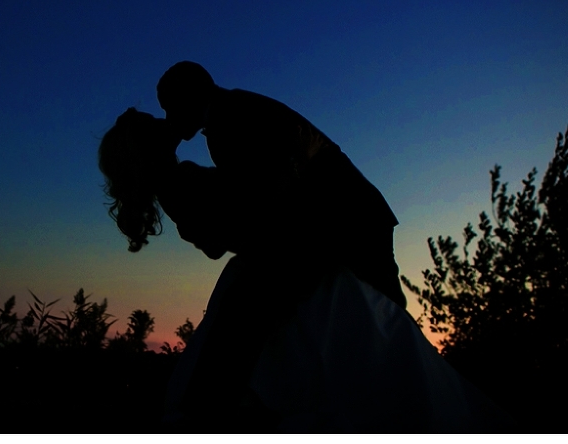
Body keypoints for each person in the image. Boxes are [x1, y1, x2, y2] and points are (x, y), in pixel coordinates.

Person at [98, 108, 513, 433]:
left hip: (281, 263)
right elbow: (238, 223)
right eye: (154, 125)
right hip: (280, 266)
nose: (166, 123)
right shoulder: (180, 185)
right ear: (145, 150)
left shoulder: (180, 181)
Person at [157, 61, 406, 309]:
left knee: (386, 315)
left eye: (171, 107)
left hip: (350, 220)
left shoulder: (229, 120)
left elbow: (262, 195)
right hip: (349, 218)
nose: (169, 119)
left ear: (191, 97)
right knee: (380, 317)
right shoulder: (234, 110)